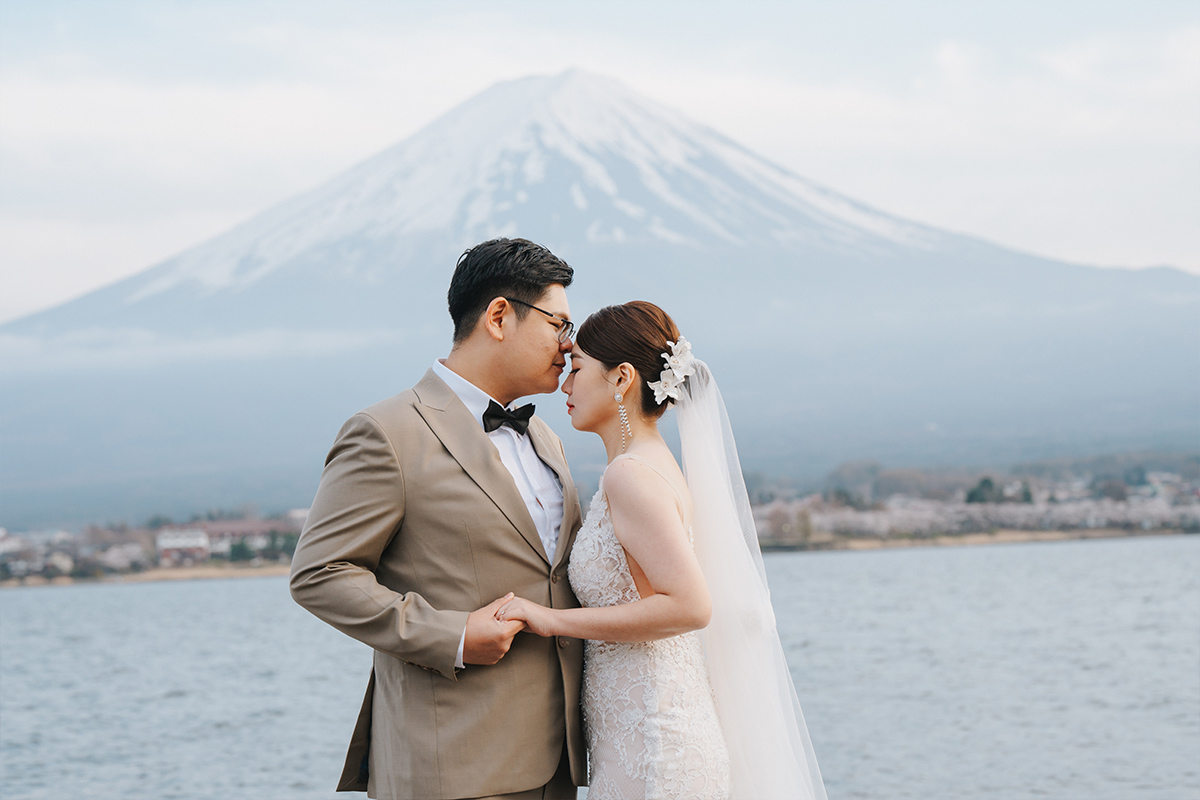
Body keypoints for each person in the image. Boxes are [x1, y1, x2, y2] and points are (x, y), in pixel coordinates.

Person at [290, 238, 587, 800]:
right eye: (558, 325)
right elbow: (319, 574)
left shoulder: (545, 435)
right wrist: (453, 636)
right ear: (500, 316)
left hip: (561, 763)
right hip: (452, 763)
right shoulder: (386, 432)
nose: (569, 347)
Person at [496, 301, 827, 800]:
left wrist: (547, 618)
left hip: (654, 747)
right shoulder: (647, 465)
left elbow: (689, 605)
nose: (565, 385)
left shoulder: (630, 475)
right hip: (639, 735)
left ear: (621, 377)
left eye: (578, 368)